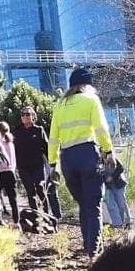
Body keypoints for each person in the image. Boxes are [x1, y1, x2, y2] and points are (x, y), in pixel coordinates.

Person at [49, 67, 114, 257]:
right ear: (87, 85)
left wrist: (53, 164)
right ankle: (94, 250)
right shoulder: (91, 100)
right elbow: (101, 128)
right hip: (87, 154)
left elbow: (53, 138)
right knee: (93, 204)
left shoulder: (59, 106)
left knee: (83, 204)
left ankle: (88, 244)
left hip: (67, 159)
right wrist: (108, 151)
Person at [13, 106, 52, 215]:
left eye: (28, 114)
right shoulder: (17, 132)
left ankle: (46, 214)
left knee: (40, 188)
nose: (25, 116)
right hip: (23, 167)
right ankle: (35, 215)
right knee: (30, 191)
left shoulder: (39, 130)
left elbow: (46, 147)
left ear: (33, 116)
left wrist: (52, 163)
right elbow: (13, 149)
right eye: (23, 114)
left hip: (37, 165)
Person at [0, 120, 19, 226]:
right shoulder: (10, 142)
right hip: (10, 172)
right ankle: (16, 222)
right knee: (13, 199)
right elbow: (13, 159)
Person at [102, 155, 130, 228]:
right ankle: (118, 224)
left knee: (121, 204)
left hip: (118, 185)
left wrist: (112, 177)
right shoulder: (99, 161)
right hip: (108, 187)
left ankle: (126, 223)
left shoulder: (113, 158)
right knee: (110, 205)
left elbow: (121, 168)